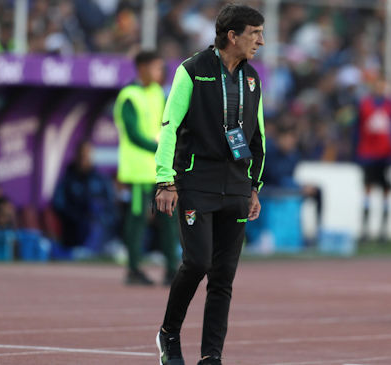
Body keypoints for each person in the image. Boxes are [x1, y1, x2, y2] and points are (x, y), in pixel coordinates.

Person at [154, 4, 265, 365]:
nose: (260, 41)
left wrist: (254, 187)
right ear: (232, 35)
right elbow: (169, 126)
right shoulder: (192, 71)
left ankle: (211, 357)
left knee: (223, 277)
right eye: (254, 33)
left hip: (236, 186)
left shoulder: (253, 79)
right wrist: (164, 181)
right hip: (196, 182)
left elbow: (258, 137)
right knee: (198, 262)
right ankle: (168, 335)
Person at [113, 50, 179, 286]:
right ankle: (133, 269)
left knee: (168, 219)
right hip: (139, 170)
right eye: (156, 68)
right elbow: (132, 134)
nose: (160, 73)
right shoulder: (129, 96)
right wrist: (160, 149)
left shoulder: (157, 93)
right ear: (142, 68)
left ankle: (172, 269)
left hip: (160, 170)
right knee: (138, 219)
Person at [353, 74, 391, 242]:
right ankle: (365, 230)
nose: (380, 88)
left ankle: (384, 231)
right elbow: (357, 128)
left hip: (387, 154)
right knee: (367, 189)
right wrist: (357, 150)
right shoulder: (364, 104)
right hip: (368, 154)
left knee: (386, 191)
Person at [52, 141, 118, 256]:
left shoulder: (101, 179)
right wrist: (77, 216)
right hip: (74, 231)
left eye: (87, 155)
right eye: (82, 155)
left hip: (100, 230)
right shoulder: (68, 179)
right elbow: (58, 204)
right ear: (77, 156)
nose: (84, 159)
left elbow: (111, 205)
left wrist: (102, 218)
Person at [262, 124, 323, 242]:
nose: (291, 142)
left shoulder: (293, 155)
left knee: (317, 190)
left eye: (293, 139)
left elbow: (288, 177)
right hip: (268, 188)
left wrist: (299, 187)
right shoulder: (268, 151)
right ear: (280, 138)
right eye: (289, 138)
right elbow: (274, 176)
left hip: (285, 188)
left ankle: (318, 230)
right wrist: (298, 187)